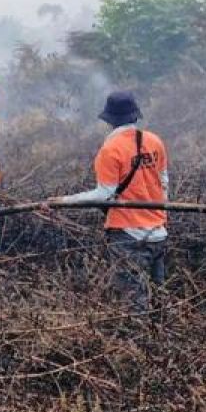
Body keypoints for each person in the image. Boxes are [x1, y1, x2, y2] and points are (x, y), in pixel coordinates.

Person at [48, 91, 169, 313]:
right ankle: (161, 343)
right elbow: (164, 182)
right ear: (135, 116)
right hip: (159, 234)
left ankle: (137, 346)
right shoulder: (155, 141)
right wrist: (159, 217)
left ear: (109, 120)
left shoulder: (110, 149)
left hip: (128, 236)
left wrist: (64, 201)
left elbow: (104, 194)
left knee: (134, 304)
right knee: (159, 299)